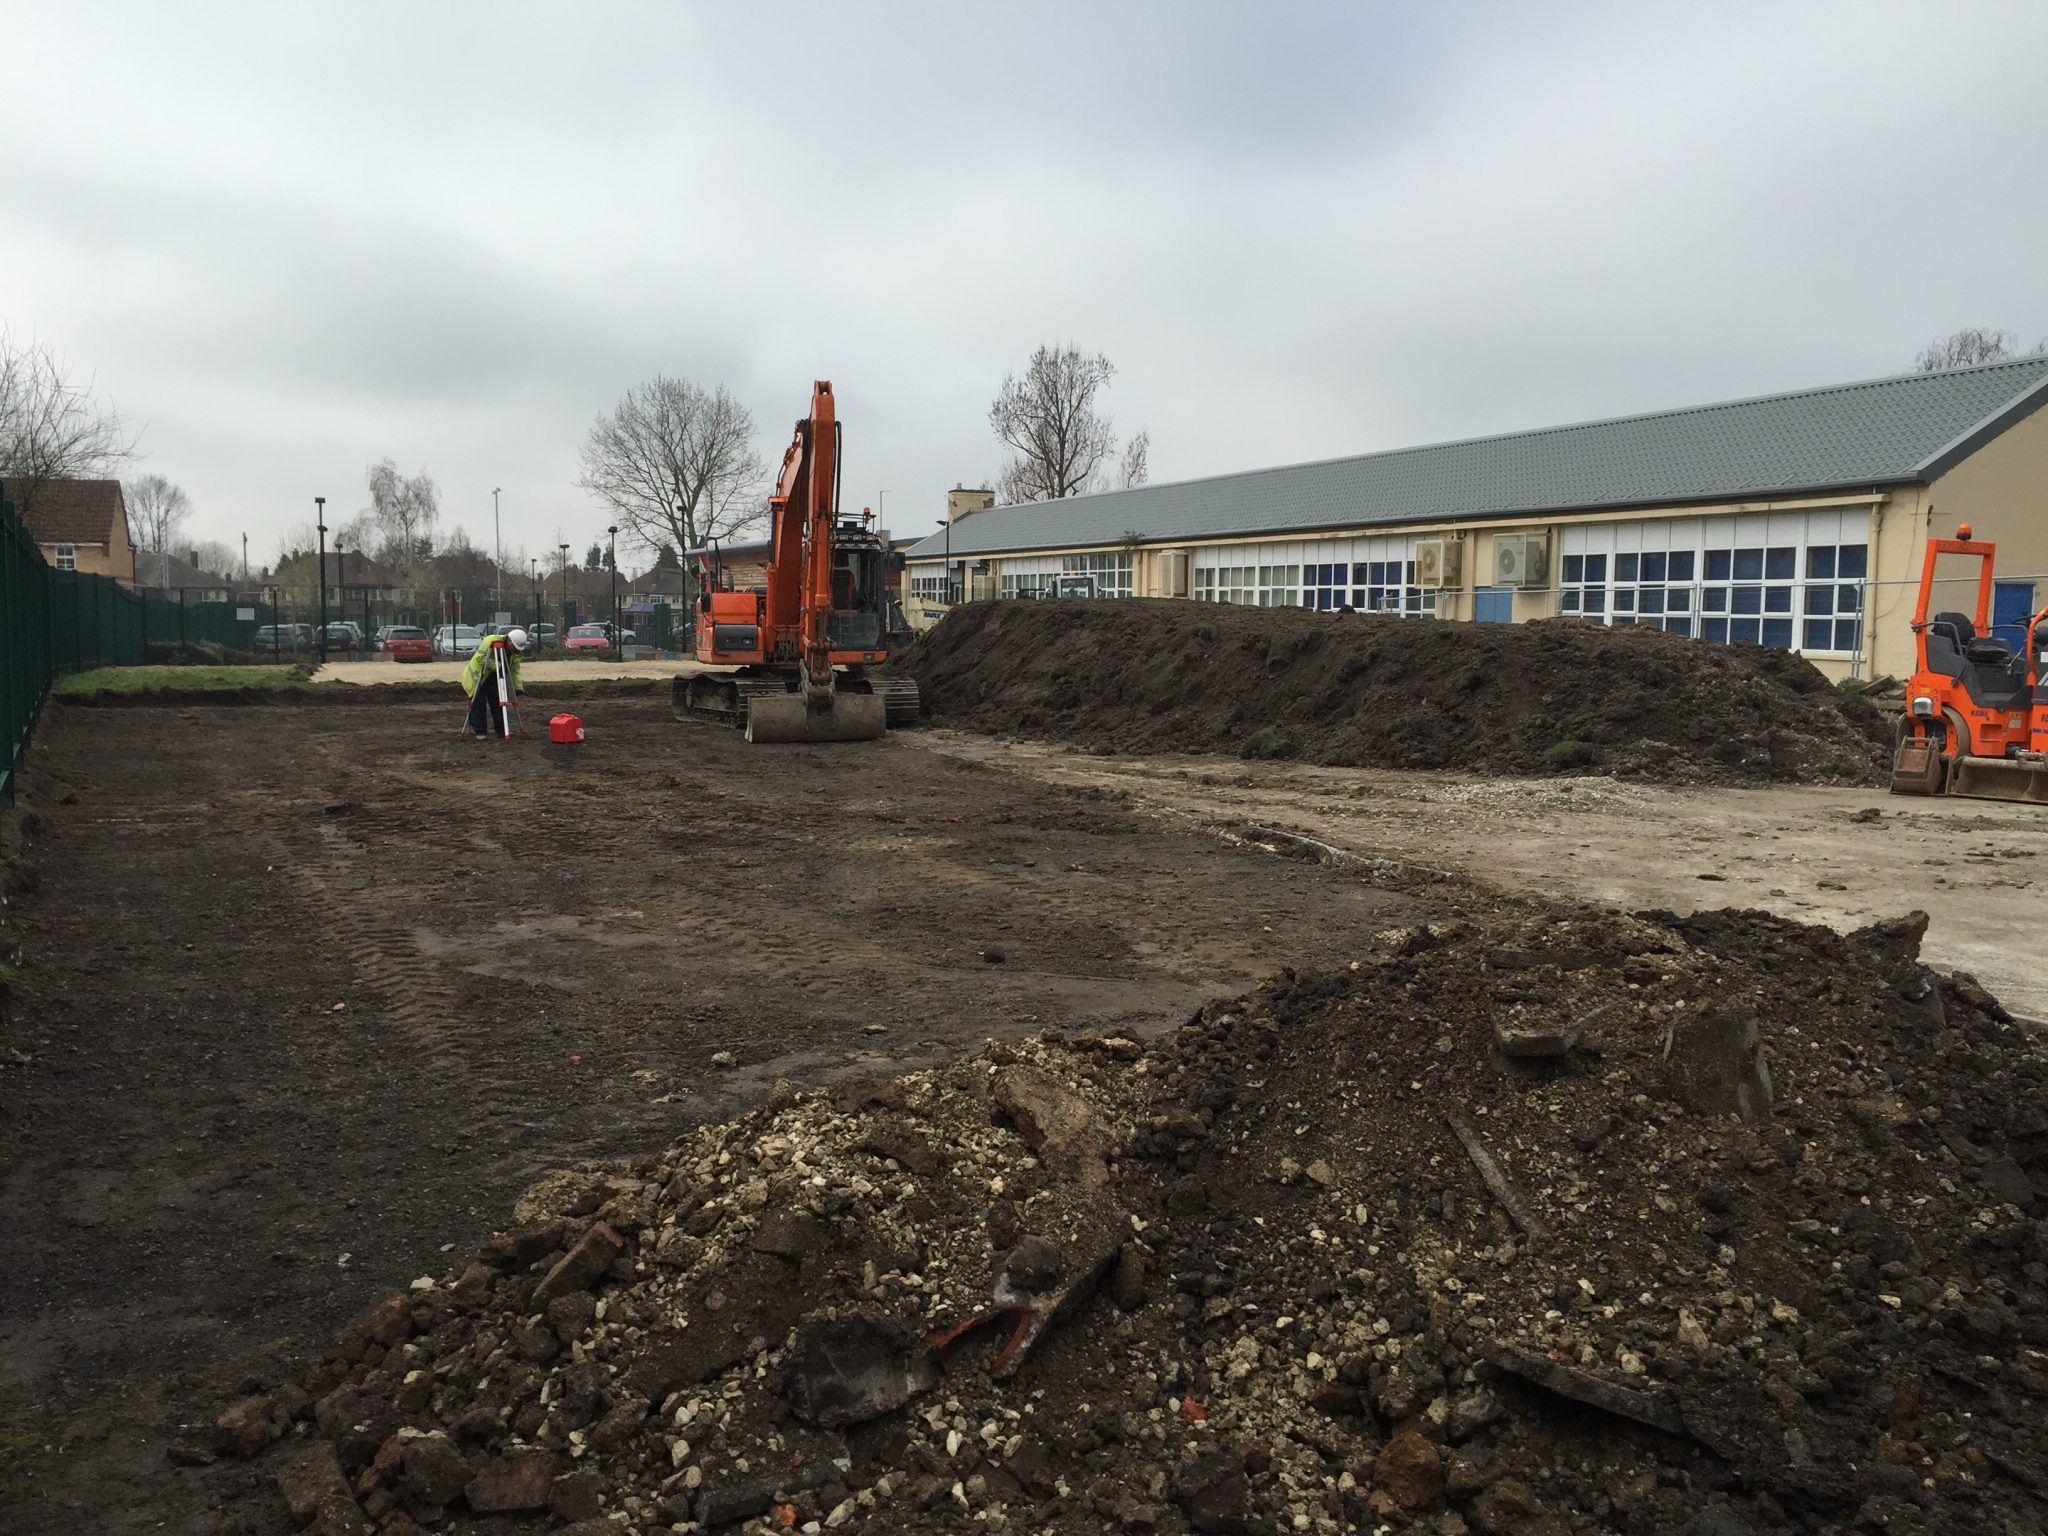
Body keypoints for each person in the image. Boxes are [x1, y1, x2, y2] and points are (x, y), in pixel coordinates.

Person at [462, 627, 527, 737]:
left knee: (498, 703)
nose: (515, 650)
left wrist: (518, 687)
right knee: (479, 704)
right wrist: (497, 666)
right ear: (509, 640)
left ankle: (501, 730)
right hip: (477, 678)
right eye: (514, 647)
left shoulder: (515, 654)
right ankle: (480, 731)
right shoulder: (491, 641)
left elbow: (515, 672)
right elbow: (480, 659)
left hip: (494, 679)